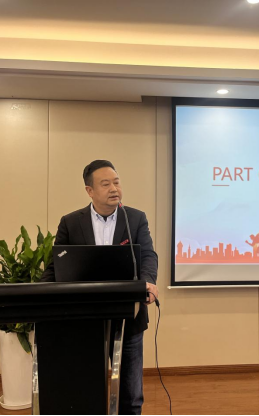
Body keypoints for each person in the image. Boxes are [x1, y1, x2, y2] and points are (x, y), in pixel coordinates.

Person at [41, 160, 159, 416]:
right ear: (89, 190)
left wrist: (148, 281)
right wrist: (40, 294)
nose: (114, 188)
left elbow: (148, 255)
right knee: (85, 390)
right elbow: (55, 266)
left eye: (116, 182)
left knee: (131, 394)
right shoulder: (71, 222)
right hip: (84, 320)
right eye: (105, 184)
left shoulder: (135, 218)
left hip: (128, 317)